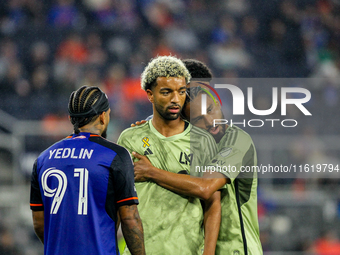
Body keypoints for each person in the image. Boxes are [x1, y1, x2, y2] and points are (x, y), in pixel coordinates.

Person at [133, 59, 263, 255]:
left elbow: (205, 188)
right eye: (198, 117)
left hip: (235, 249)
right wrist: (150, 126)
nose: (211, 122)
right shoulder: (191, 144)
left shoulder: (236, 140)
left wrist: (151, 172)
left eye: (210, 108)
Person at [117, 56, 220, 255]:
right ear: (150, 94)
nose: (175, 99)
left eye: (181, 92)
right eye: (166, 92)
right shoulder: (130, 139)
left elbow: (213, 202)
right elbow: (118, 203)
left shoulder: (203, 141)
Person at [30, 85, 145, 255]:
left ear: (71, 119)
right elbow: (130, 219)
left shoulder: (43, 159)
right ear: (103, 116)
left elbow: (39, 223)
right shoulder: (115, 155)